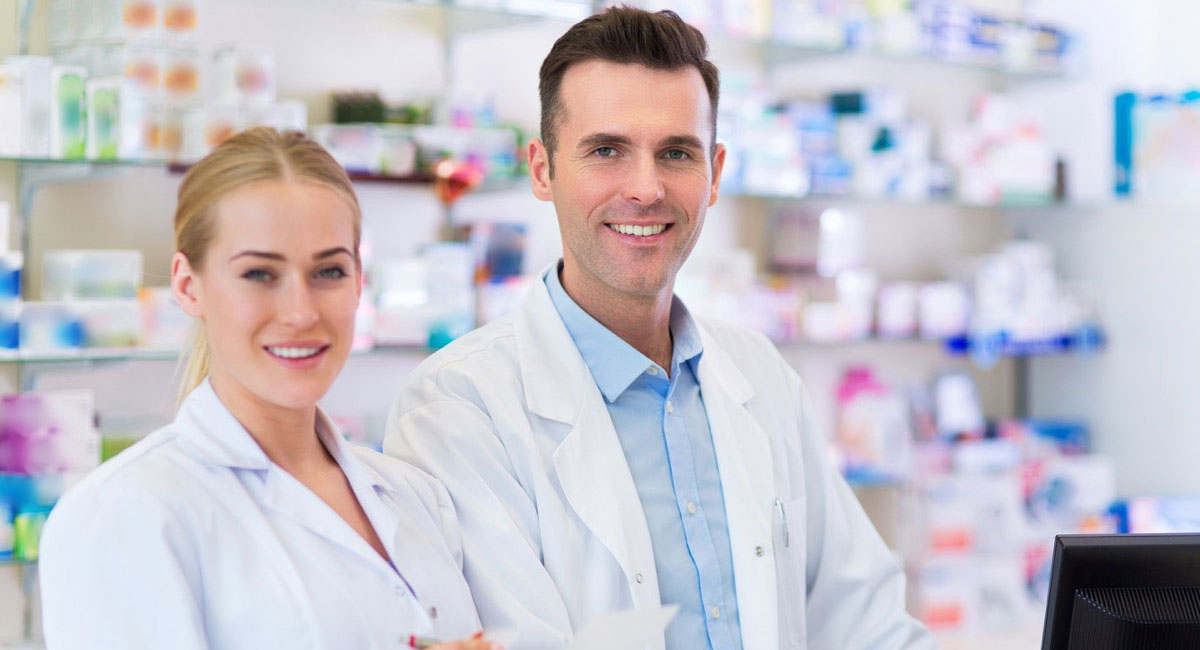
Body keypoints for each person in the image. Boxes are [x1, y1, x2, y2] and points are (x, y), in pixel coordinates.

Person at [384, 7, 936, 650]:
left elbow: (864, 620)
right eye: (606, 150)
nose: (646, 189)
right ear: (542, 169)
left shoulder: (760, 376)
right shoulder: (458, 408)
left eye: (676, 153)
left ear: (715, 174)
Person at [39, 127, 501, 650]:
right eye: (259, 274)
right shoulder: (123, 512)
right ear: (188, 286)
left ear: (358, 283)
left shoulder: (416, 496)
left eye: (329, 271)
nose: (301, 312)